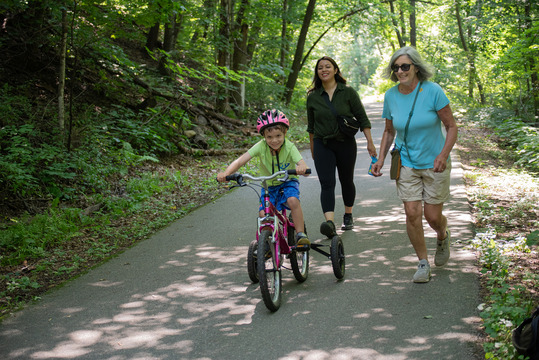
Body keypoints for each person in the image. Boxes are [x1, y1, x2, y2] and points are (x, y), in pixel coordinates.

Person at [371, 46, 458, 283]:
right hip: (407, 162)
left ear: (416, 67)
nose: (400, 71)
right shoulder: (390, 96)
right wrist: (380, 159)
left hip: (435, 162)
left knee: (432, 216)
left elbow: (451, 126)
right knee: (411, 213)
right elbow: (389, 131)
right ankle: (422, 263)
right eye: (396, 67)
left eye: (405, 66)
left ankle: (442, 234)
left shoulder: (433, 91)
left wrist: (443, 154)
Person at [217, 109, 311, 248]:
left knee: (293, 200)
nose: (274, 140)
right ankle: (267, 245)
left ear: (285, 133)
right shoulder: (260, 146)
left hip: (288, 182)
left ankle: (300, 234)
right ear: (263, 136)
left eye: (278, 135)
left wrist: (302, 168)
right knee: (263, 214)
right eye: (269, 137)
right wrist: (226, 173)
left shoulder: (290, 147)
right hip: (269, 186)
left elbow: (301, 163)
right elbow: (240, 161)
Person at [306, 56, 376, 238]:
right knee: (326, 183)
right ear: (317, 72)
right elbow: (311, 127)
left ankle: (348, 214)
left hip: (345, 143)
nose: (324, 70)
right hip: (323, 144)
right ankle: (329, 223)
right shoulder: (313, 96)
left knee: (346, 180)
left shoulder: (348, 92)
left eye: (327, 66)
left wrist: (370, 142)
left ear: (335, 70)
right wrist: (313, 149)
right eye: (320, 68)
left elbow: (362, 118)